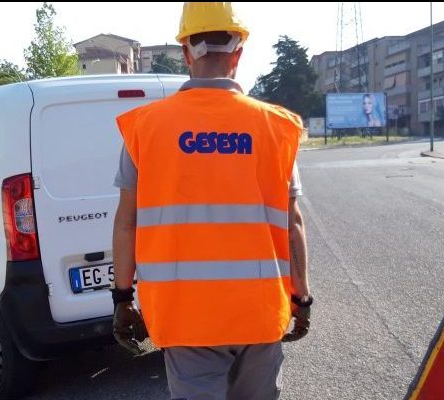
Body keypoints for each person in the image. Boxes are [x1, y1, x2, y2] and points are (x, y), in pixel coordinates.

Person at [110, 3, 312, 399]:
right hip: (258, 312)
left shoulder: (146, 128)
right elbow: (293, 223)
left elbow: (126, 223)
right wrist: (301, 296)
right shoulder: (275, 127)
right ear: (238, 53)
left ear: (186, 52)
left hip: (187, 318)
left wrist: (121, 298)